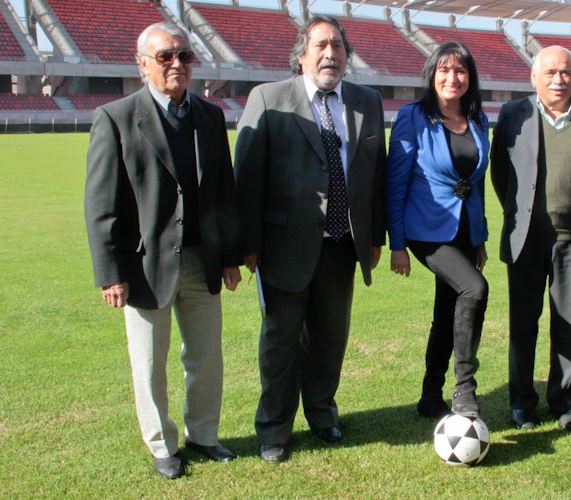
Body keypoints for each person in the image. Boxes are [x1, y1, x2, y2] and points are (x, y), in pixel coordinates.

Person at [84, 22, 241, 479]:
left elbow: (223, 193)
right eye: (165, 56)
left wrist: (230, 254)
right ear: (143, 64)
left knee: (207, 357)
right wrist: (110, 271)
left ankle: (205, 436)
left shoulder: (210, 117)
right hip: (145, 265)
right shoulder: (115, 117)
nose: (177, 64)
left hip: (203, 259)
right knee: (150, 364)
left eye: (185, 56)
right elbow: (101, 204)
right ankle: (161, 446)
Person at [233, 15, 387, 464]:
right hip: (284, 245)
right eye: (320, 45)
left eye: (338, 46)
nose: (330, 54)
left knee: (330, 338)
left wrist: (374, 236)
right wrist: (249, 242)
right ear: (302, 54)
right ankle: (274, 429)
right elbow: (247, 176)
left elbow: (373, 175)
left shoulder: (366, 101)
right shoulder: (268, 97)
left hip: (342, 244)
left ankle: (322, 413)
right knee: (281, 340)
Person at [490, 46, 571, 431]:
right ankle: (522, 404)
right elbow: (500, 174)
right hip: (525, 240)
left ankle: (562, 402)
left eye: (565, 73)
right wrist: (520, 215)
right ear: (534, 78)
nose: (558, 79)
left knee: (567, 325)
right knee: (523, 325)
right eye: (550, 72)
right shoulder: (514, 115)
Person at [387, 42, 490, 419]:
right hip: (425, 230)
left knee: (447, 310)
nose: (452, 78)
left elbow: (476, 183)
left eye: (460, 71)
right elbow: (395, 184)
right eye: (444, 70)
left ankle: (431, 396)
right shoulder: (412, 117)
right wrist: (397, 244)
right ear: (432, 74)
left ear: (469, 78)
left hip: (465, 230)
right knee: (475, 289)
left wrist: (479, 236)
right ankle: (465, 389)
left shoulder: (478, 120)